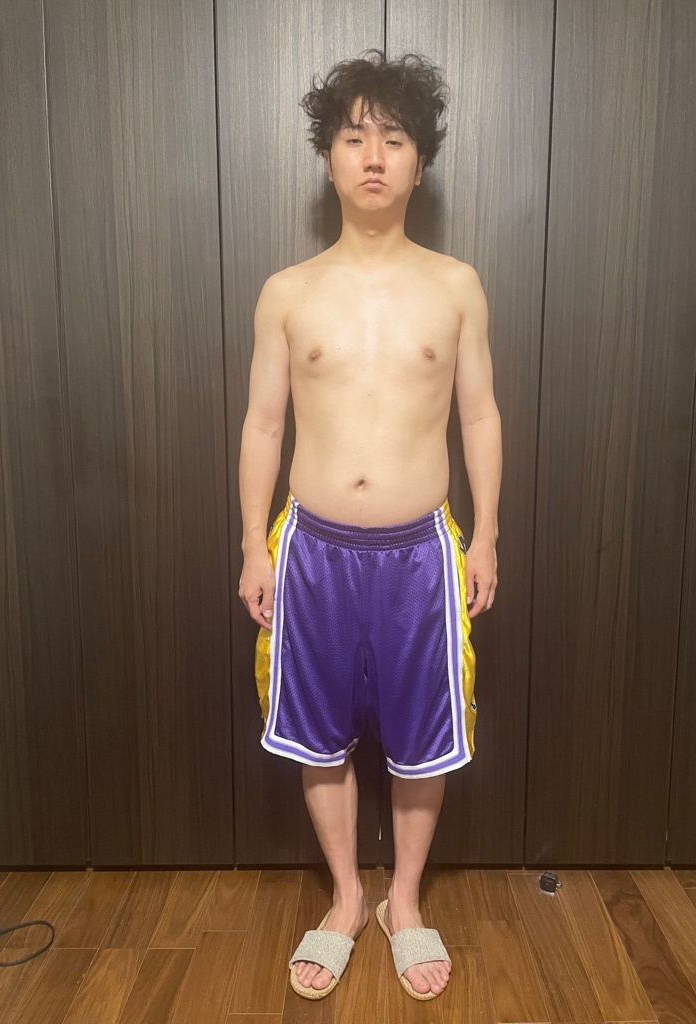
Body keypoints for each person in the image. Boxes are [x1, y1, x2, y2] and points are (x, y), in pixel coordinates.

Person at [238, 49, 501, 1002]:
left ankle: (407, 900)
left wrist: (488, 534)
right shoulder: (288, 291)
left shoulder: (457, 284)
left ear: (419, 163)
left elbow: (480, 415)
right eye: (355, 138)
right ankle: (348, 897)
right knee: (317, 736)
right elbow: (264, 424)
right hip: (309, 549)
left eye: (394, 139)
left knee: (423, 736)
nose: (375, 156)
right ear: (331, 159)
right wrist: (250, 545)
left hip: (421, 551)